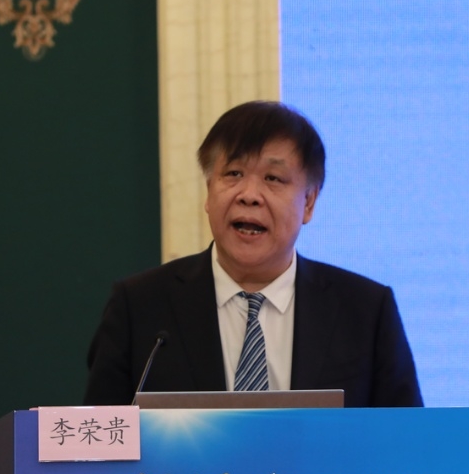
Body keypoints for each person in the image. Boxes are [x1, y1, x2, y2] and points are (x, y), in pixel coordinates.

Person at [83, 101, 422, 407]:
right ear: (209, 190)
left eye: (273, 178)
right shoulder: (139, 306)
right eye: (233, 174)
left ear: (309, 202)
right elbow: (98, 439)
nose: (249, 195)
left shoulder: (365, 312)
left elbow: (408, 441)